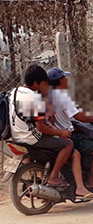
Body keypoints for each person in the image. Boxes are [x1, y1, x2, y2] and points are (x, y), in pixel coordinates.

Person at [9, 65, 84, 196]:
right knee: (68, 144)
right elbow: (41, 127)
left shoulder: (14, 92)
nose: (45, 85)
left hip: (17, 135)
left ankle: (40, 177)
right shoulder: (34, 98)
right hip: (32, 138)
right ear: (36, 83)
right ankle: (53, 177)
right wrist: (60, 132)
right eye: (43, 83)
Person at [47, 68, 93, 194]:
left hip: (53, 134)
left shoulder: (45, 95)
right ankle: (90, 180)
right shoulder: (62, 97)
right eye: (64, 79)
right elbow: (79, 117)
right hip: (67, 134)